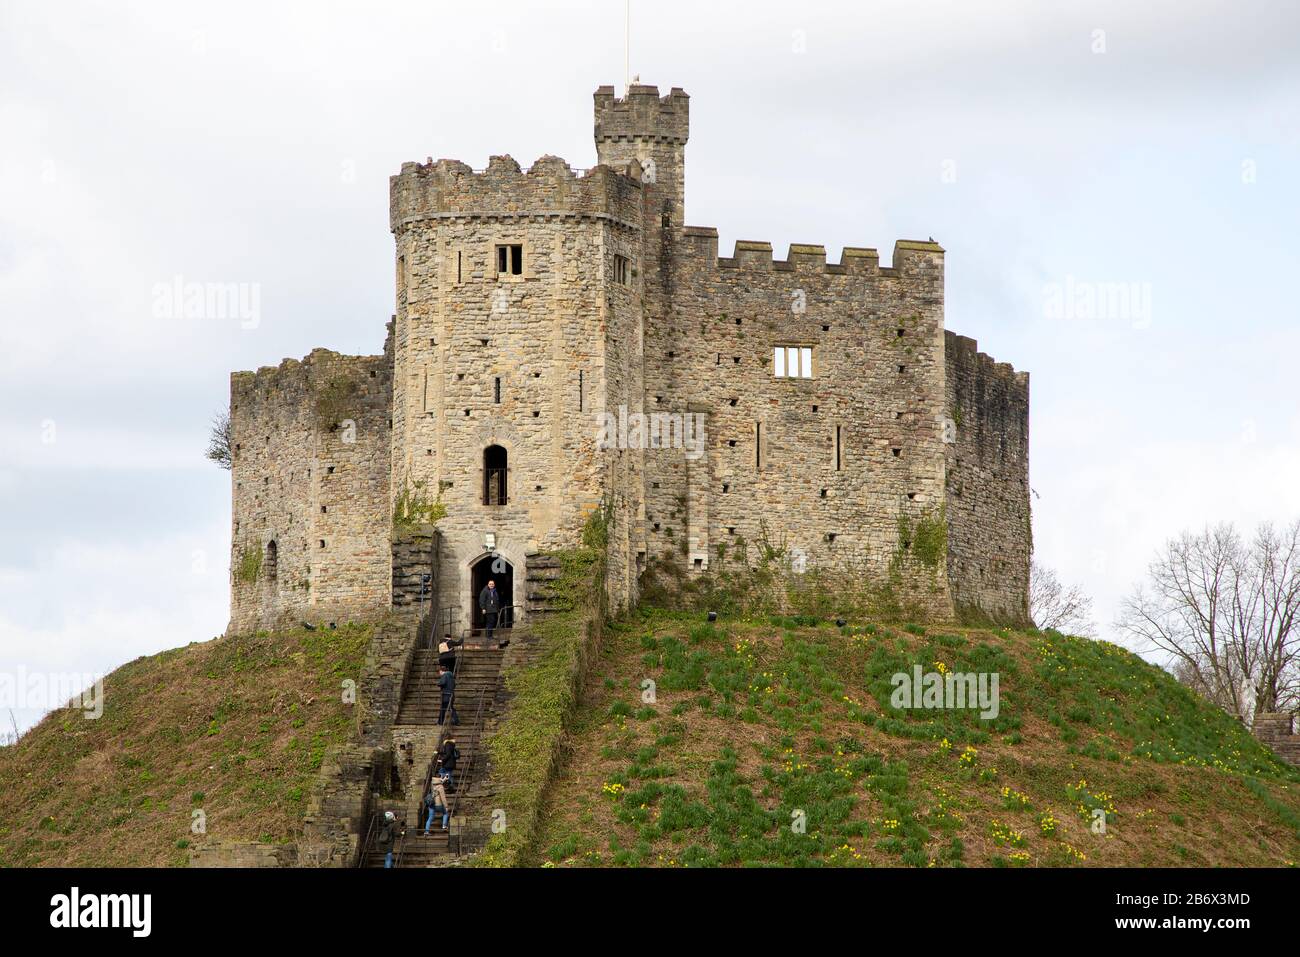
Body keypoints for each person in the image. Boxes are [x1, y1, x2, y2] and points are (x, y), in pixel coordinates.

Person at [479, 578, 508, 647]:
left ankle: (490, 635)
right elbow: (482, 600)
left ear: (494, 585)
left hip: (494, 609)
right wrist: (483, 608)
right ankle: (488, 636)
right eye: (490, 584)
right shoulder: (485, 591)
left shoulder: (494, 591)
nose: (491, 585)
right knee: (490, 622)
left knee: (492, 622)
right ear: (488, 584)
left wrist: (498, 609)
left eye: (492, 584)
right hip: (488, 609)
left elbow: (497, 601)